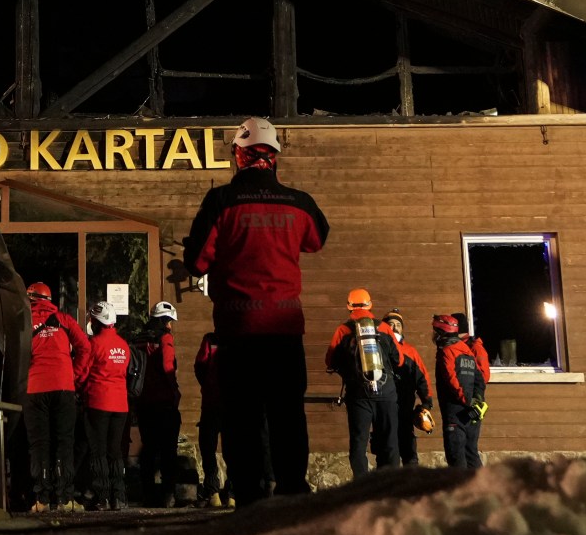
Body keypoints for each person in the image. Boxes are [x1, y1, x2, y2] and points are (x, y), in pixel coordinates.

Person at [184, 117, 329, 504]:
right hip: (284, 330)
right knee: (287, 416)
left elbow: (196, 261)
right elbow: (317, 239)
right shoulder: (300, 203)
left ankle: (249, 500)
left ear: (238, 155)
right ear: (276, 156)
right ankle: (293, 494)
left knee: (241, 419)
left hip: (238, 330)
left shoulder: (221, 202)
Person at [22, 281, 92, 512]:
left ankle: (41, 499)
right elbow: (85, 348)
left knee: (39, 444)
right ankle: (65, 499)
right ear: (49, 300)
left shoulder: (23, 321)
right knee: (64, 442)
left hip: (34, 388)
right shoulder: (64, 319)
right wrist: (75, 376)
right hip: (63, 386)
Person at [325, 289, 398, 477]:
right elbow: (400, 359)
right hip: (386, 392)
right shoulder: (384, 328)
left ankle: (363, 487)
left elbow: (330, 360)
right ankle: (391, 486)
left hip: (358, 394)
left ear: (349, 306)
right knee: (389, 441)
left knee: (359, 442)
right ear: (370, 304)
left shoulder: (343, 330)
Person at [79, 302, 134, 509]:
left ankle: (102, 496)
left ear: (96, 321)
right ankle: (118, 496)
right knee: (115, 451)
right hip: (120, 404)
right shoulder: (123, 345)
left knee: (98, 451)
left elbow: (83, 373)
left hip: (98, 401)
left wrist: (78, 388)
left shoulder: (93, 344)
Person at [135, 300, 185, 505]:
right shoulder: (165, 338)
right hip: (164, 402)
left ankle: (147, 493)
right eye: (170, 321)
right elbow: (168, 367)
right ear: (164, 321)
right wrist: (175, 393)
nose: (171, 325)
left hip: (143, 401)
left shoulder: (139, 338)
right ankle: (168, 494)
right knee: (168, 451)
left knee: (148, 448)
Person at [431, 313, 485, 470]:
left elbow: (451, 380)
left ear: (442, 332)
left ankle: (461, 493)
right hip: (472, 412)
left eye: (435, 331)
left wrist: (467, 401)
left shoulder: (447, 352)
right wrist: (477, 400)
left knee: (456, 458)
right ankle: (485, 488)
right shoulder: (467, 351)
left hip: (456, 412)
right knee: (471, 454)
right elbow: (479, 380)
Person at [383, 311, 431, 467]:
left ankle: (413, 481)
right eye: (391, 324)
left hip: (404, 406)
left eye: (398, 325)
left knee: (408, 445)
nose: (395, 328)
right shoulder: (380, 349)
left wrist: (426, 402)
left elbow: (422, 377)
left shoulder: (411, 351)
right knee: (386, 448)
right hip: (383, 406)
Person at [192, 331, 225, 507]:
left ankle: (213, 492)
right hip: (234, 403)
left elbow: (200, 365)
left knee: (207, 446)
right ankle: (233, 494)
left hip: (212, 402)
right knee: (234, 449)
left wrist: (208, 385)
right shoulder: (241, 336)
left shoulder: (211, 339)